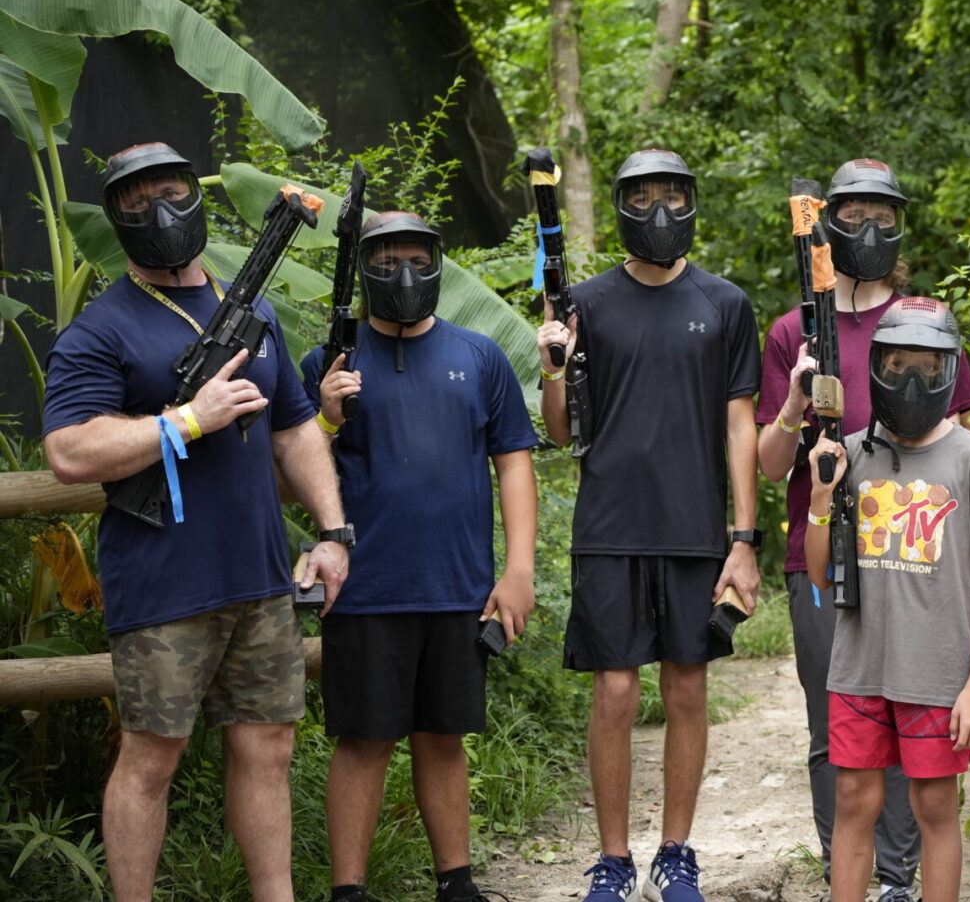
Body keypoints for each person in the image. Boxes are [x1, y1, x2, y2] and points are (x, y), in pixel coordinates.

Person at [42, 142, 350, 902]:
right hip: (162, 583)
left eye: (173, 191)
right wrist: (185, 420)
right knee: (151, 760)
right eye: (137, 199)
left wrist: (332, 532)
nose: (161, 210)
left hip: (259, 577)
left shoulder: (256, 311)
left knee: (269, 747)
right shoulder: (101, 329)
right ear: (116, 215)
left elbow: (294, 428)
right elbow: (68, 451)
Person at [535, 149, 761, 902]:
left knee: (688, 689)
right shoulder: (588, 303)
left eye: (672, 195)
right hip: (608, 526)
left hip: (695, 529)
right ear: (623, 206)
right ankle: (612, 860)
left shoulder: (724, 303)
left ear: (691, 201)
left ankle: (676, 854)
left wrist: (744, 538)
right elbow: (561, 430)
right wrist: (554, 366)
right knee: (614, 692)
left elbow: (740, 425)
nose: (659, 212)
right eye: (642, 198)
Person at [756, 158, 970, 902]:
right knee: (837, 731)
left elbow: (960, 443)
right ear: (827, 221)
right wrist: (796, 404)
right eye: (852, 214)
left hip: (915, 560)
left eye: (883, 214)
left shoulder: (924, 321)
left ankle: (896, 879)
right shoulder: (794, 330)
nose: (869, 229)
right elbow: (769, 465)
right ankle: (843, 874)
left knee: (915, 726)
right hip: (820, 554)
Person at [301, 212, 540, 902]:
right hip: (364, 587)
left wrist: (518, 570)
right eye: (385, 262)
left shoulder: (480, 356)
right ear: (363, 268)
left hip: (458, 585)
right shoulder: (329, 362)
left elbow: (513, 464)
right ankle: (348, 891)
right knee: (363, 740)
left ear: (438, 263)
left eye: (416, 260)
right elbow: (291, 472)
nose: (403, 275)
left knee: (443, 737)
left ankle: (456, 884)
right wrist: (324, 417)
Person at [804, 297, 970, 902]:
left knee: (935, 806)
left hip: (938, 674)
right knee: (853, 800)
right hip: (861, 666)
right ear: (876, 366)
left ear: (949, 370)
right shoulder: (849, 452)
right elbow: (820, 575)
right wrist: (820, 498)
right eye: (898, 366)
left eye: (928, 367)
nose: (912, 382)